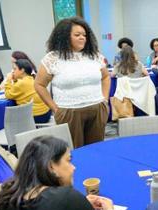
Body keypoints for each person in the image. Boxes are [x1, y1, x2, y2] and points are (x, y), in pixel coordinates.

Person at [35, 17, 110, 148]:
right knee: (73, 152)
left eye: (84, 35)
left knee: (97, 149)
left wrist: (105, 99)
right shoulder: (53, 58)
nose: (82, 38)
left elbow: (106, 77)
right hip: (69, 111)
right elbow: (39, 85)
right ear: (64, 36)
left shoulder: (94, 55)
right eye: (77, 35)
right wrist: (54, 108)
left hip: (97, 108)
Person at [4, 59, 51, 124]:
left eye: (15, 69)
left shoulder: (21, 83)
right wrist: (15, 81)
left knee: (11, 117)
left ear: (22, 70)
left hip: (36, 116)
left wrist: (8, 80)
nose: (13, 72)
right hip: (46, 113)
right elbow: (19, 90)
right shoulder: (32, 78)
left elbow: (8, 94)